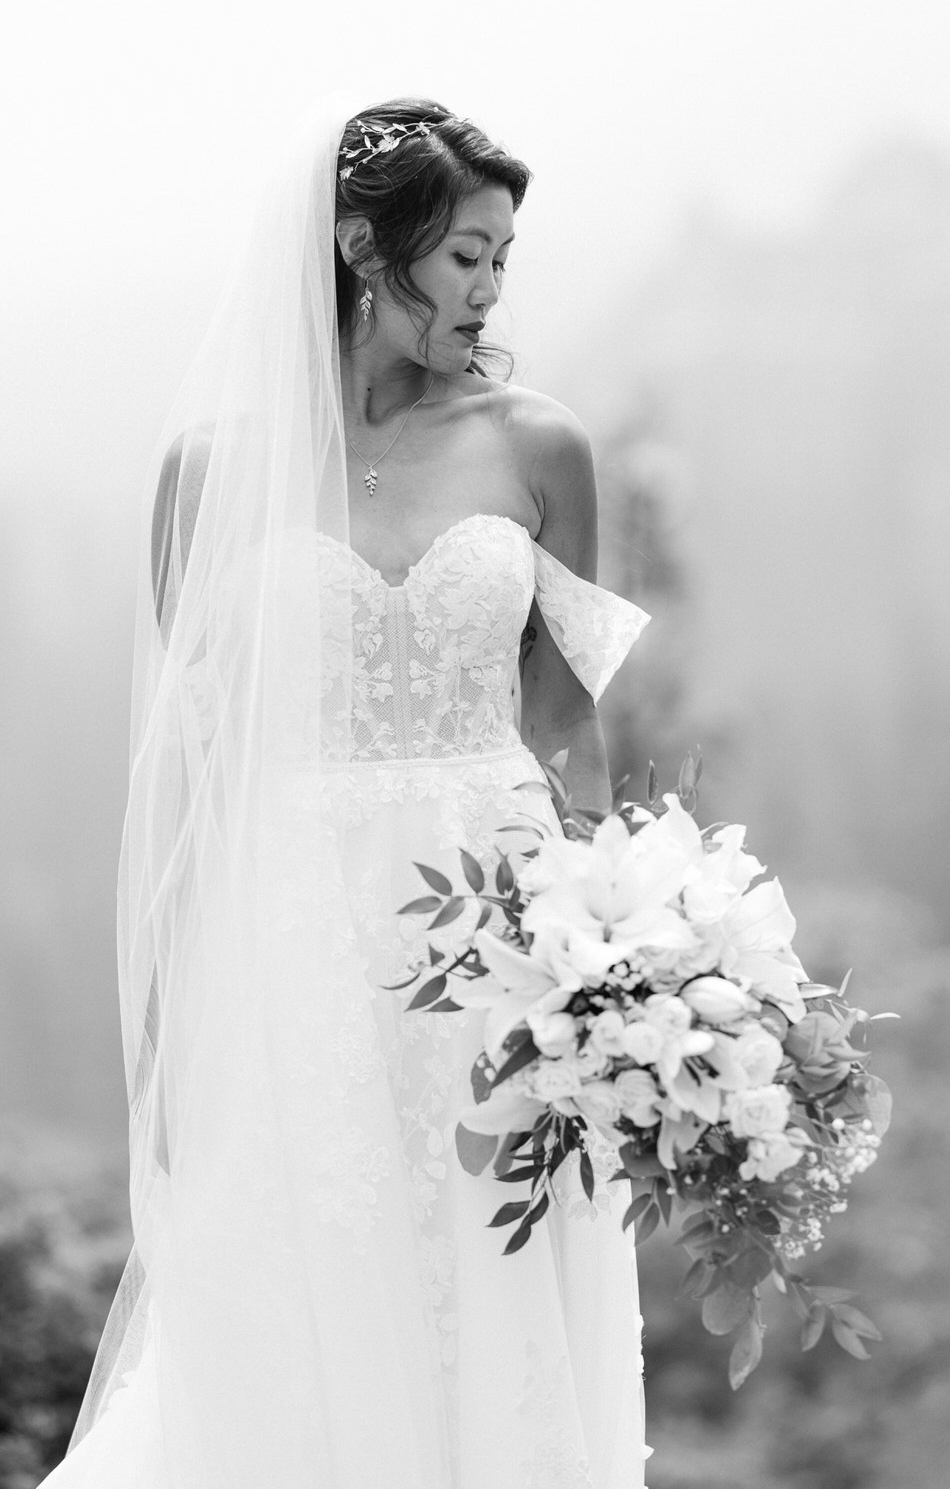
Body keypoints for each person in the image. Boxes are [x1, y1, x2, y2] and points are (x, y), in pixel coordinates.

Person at [40, 96, 652, 1489]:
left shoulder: (539, 444)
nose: (490, 289)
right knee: (300, 1270)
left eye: (504, 258)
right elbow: (193, 774)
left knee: (497, 1267)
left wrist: (621, 963)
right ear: (362, 248)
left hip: (498, 934)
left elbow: (568, 725)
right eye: (463, 258)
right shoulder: (206, 475)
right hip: (292, 932)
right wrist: (165, 1037)